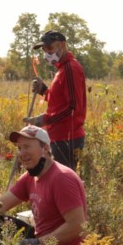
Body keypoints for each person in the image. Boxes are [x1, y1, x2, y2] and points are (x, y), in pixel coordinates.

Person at [25, 30, 87, 171]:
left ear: (62, 45)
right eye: (45, 50)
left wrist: (46, 119)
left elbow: (72, 107)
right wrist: (44, 91)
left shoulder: (70, 68)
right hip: (59, 136)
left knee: (64, 183)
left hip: (67, 138)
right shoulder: (62, 69)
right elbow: (59, 100)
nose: (47, 53)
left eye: (50, 48)